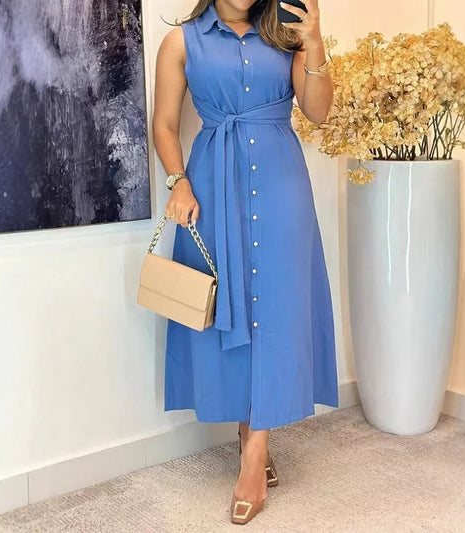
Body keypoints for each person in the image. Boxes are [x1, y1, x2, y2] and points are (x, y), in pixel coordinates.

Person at [153, 0, 338, 524]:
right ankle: (247, 430)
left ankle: (255, 455)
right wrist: (178, 182)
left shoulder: (287, 35)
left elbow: (319, 111)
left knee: (276, 310)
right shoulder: (181, 42)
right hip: (213, 187)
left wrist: (315, 41)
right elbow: (164, 124)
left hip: (281, 187)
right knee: (228, 307)